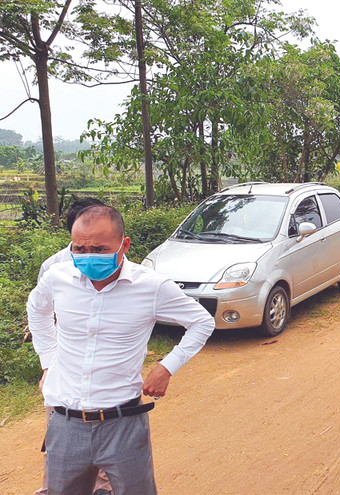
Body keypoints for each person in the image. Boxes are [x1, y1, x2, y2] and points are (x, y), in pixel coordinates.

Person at [27, 205, 215, 494]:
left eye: (100, 249)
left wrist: (167, 367)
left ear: (124, 244)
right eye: (80, 248)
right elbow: (36, 310)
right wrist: (48, 361)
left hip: (123, 424)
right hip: (65, 424)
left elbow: (201, 322)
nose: (89, 256)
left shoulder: (151, 287)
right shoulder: (57, 278)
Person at [35, 198, 113, 495]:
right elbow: (44, 316)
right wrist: (49, 366)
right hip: (66, 371)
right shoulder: (54, 267)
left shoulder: (114, 258)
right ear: (74, 231)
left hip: (106, 369)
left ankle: (104, 486)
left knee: (110, 431)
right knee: (61, 439)